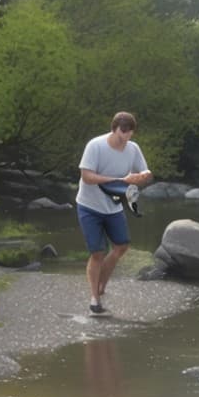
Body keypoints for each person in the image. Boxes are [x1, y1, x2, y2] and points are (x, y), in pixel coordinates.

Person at [76, 111, 153, 315]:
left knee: (122, 245)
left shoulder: (133, 148)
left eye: (129, 133)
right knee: (97, 252)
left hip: (115, 205)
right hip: (89, 205)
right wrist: (118, 180)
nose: (126, 137)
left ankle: (102, 285)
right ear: (114, 128)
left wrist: (140, 177)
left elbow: (146, 172)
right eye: (122, 132)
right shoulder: (96, 146)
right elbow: (87, 177)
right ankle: (95, 300)